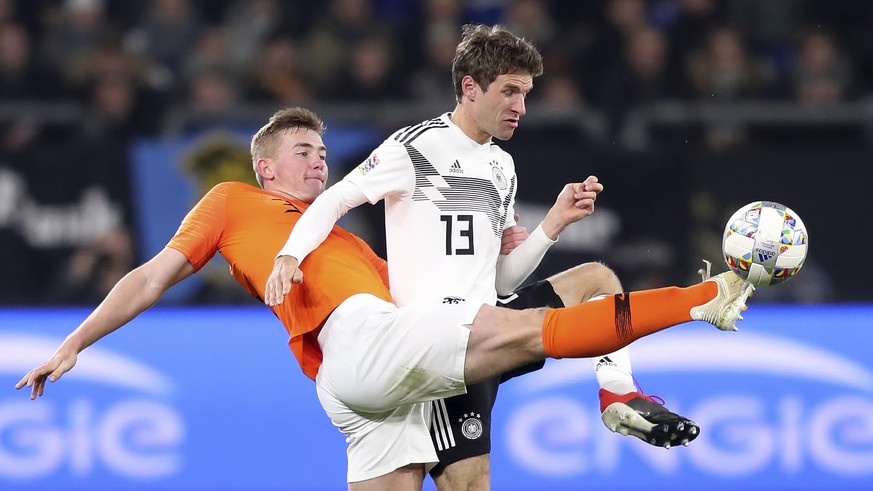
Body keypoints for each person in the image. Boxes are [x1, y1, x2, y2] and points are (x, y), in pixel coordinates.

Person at [16, 107, 754, 491]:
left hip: (393, 359)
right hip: (367, 349)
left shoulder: (363, 247)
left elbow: (483, 292)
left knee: (586, 282)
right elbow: (149, 276)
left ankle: (618, 392)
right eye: (302, 151)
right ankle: (702, 299)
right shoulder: (231, 202)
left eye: (322, 150)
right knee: (537, 333)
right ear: (265, 165)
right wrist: (75, 341)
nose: (318, 159)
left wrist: (551, 225)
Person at [266, 23, 699, 490]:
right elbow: (335, 199)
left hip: (487, 322)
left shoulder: (501, 166)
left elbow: (502, 280)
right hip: (435, 343)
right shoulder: (414, 147)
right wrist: (290, 254)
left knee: (597, 278)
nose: (521, 107)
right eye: (510, 91)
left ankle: (618, 394)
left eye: (527, 94)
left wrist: (551, 225)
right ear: (469, 88)